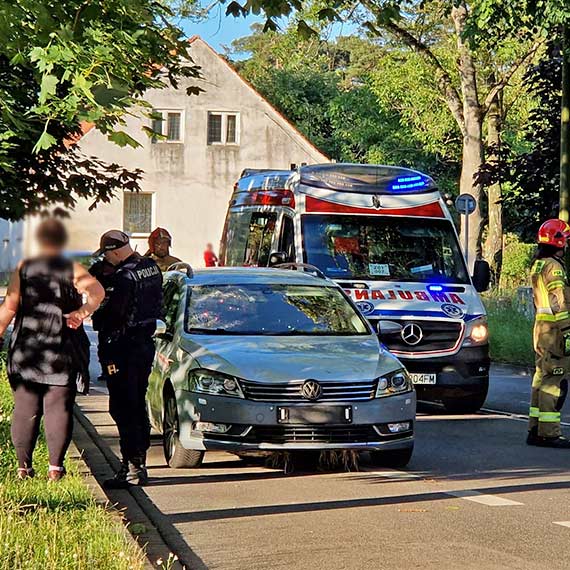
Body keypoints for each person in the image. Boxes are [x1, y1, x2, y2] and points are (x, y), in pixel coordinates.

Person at [0, 219, 104, 480]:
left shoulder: (24, 268)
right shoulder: (71, 267)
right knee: (59, 409)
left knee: (25, 408)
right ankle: (55, 469)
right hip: (62, 349)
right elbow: (97, 292)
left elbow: (10, 308)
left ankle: (23, 468)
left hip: (27, 349)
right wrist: (81, 313)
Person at [91, 230, 162, 487]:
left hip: (122, 347)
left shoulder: (123, 277)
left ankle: (132, 466)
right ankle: (136, 464)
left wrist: (97, 315)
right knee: (136, 402)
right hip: (144, 345)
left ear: (116, 250)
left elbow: (112, 315)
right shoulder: (149, 266)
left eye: (108, 254)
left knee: (122, 406)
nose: (106, 260)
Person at [527, 219, 570, 448]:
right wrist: (568, 332)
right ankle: (549, 433)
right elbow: (558, 302)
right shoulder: (554, 267)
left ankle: (535, 429)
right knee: (555, 380)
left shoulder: (538, 264)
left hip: (540, 329)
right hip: (554, 331)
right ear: (559, 241)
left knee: (540, 377)